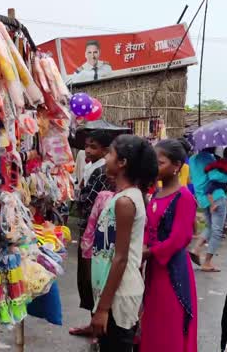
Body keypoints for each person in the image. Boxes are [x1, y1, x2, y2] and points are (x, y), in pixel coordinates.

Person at [89, 135, 158, 352]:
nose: (106, 157)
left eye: (110, 153)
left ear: (122, 163)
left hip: (119, 295)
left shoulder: (125, 202)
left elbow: (120, 258)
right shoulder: (123, 197)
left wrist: (102, 309)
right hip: (113, 292)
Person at [141, 139, 198, 352]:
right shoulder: (156, 194)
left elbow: (180, 238)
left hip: (172, 270)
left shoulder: (184, 196)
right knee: (152, 319)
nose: (155, 167)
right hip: (154, 267)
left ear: (176, 166)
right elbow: (149, 227)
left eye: (160, 162)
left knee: (169, 322)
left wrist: (149, 252)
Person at [70, 130, 114, 338]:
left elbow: (87, 202)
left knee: (94, 278)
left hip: (95, 232)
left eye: (93, 147)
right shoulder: (90, 167)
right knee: (87, 280)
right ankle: (93, 322)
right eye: (87, 145)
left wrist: (78, 194)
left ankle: (98, 326)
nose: (87, 150)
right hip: (88, 229)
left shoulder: (103, 171)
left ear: (106, 150)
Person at [189, 147, 225, 271]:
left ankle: (196, 249)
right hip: (216, 196)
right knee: (217, 230)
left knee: (210, 226)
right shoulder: (210, 158)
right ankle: (207, 262)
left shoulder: (192, 159)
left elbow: (193, 177)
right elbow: (214, 177)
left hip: (202, 197)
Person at [205, 146, 227, 212]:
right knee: (225, 195)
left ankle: (213, 205)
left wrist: (206, 170)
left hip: (215, 183)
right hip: (224, 184)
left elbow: (210, 166)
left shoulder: (219, 162)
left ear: (224, 154)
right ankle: (226, 207)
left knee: (208, 193)